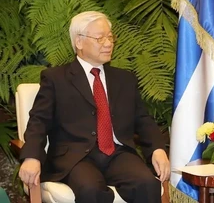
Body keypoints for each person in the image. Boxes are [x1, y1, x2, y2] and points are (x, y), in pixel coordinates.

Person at [18, 11, 170, 203]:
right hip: (76, 158)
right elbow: (38, 121)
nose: (108, 43)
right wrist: (32, 156)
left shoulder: (124, 79)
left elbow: (143, 119)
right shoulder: (56, 78)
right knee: (91, 190)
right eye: (100, 38)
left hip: (118, 154)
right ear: (79, 42)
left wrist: (157, 149)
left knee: (147, 184)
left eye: (110, 37)